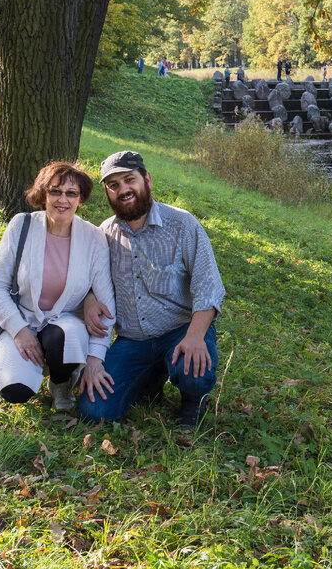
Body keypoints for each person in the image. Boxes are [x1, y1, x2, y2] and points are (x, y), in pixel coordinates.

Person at [78, 150, 224, 428]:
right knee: (94, 410)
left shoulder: (182, 225)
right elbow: (86, 280)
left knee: (193, 372)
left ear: (147, 179)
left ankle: (193, 401)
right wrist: (88, 300)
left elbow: (209, 287)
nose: (123, 190)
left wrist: (195, 337)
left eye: (129, 180)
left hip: (180, 331)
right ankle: (150, 379)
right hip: (133, 341)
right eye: (114, 185)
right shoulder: (104, 235)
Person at [0, 162, 118, 411]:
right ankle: (29, 365)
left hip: (65, 324)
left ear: (80, 199)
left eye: (71, 193)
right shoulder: (21, 226)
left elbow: (106, 305)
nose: (62, 200)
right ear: (43, 194)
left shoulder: (94, 238)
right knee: (16, 392)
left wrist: (95, 359)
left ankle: (61, 382)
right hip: (21, 318)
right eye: (55, 191)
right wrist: (20, 331)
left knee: (64, 336)